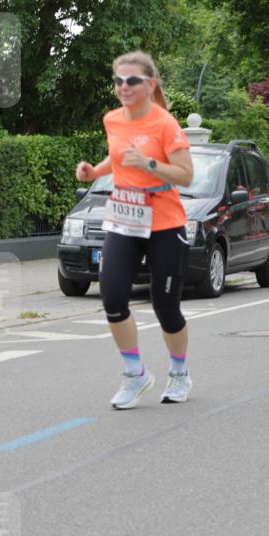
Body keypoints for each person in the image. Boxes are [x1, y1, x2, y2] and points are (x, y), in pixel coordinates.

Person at [76, 51, 194, 409]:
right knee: (112, 298)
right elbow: (118, 157)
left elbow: (186, 175)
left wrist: (149, 164)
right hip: (125, 219)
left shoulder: (165, 124)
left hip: (164, 222)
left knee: (166, 307)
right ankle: (135, 374)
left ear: (150, 84)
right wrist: (94, 172)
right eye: (118, 80)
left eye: (131, 81)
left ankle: (179, 373)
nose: (123, 87)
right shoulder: (112, 119)